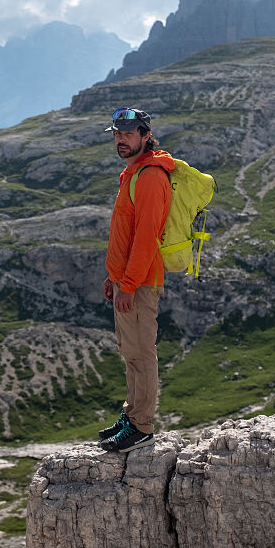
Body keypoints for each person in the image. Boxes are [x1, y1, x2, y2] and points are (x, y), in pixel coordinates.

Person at [98, 107, 173, 453]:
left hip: (140, 283)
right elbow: (125, 234)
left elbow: (145, 238)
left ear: (145, 135)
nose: (120, 140)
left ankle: (142, 427)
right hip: (127, 280)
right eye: (117, 134)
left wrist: (128, 284)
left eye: (127, 135)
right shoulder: (132, 173)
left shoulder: (151, 177)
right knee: (130, 352)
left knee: (142, 353)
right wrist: (114, 278)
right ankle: (132, 414)